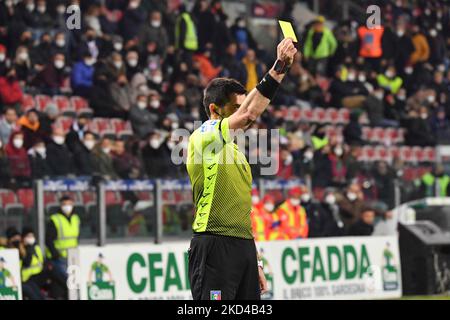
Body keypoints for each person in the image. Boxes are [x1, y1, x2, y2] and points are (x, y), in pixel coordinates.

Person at [186, 38, 297, 300]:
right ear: (214, 109)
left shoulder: (234, 150)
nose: (245, 112)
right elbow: (249, 114)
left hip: (242, 246)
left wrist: (254, 260)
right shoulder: (202, 138)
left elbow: (241, 211)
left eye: (243, 105)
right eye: (236, 107)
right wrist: (279, 66)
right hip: (213, 244)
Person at [45, 195, 80, 292]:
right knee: (69, 283)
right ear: (60, 205)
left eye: (69, 204)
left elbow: (76, 237)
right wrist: (55, 254)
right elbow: (48, 239)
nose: (67, 206)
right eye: (64, 204)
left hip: (73, 257)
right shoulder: (55, 219)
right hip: (59, 258)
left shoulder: (76, 218)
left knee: (75, 284)